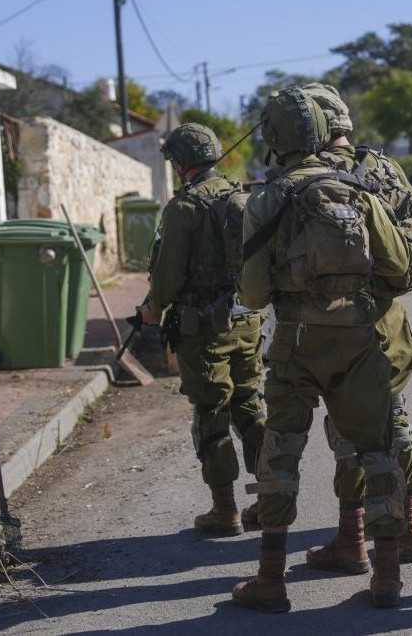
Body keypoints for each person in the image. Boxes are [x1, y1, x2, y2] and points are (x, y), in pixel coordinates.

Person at [232, 86, 410, 611]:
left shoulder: (266, 198)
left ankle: (270, 578)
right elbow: (399, 269)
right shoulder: (358, 188)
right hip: (359, 340)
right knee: (377, 449)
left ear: (274, 137)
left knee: (280, 452)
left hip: (296, 342)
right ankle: (388, 579)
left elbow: (253, 293)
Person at [297, 83, 412, 574]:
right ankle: (409, 527)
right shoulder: (384, 168)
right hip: (388, 322)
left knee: (346, 431)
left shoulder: (305, 176)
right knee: (395, 420)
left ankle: (353, 540)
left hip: (332, 327)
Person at [138, 122, 265, 537]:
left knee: (212, 411)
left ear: (179, 163)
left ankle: (224, 510)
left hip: (203, 329)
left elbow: (168, 277)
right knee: (249, 405)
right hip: (246, 320)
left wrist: (152, 309)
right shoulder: (241, 196)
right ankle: (268, 499)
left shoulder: (183, 207)